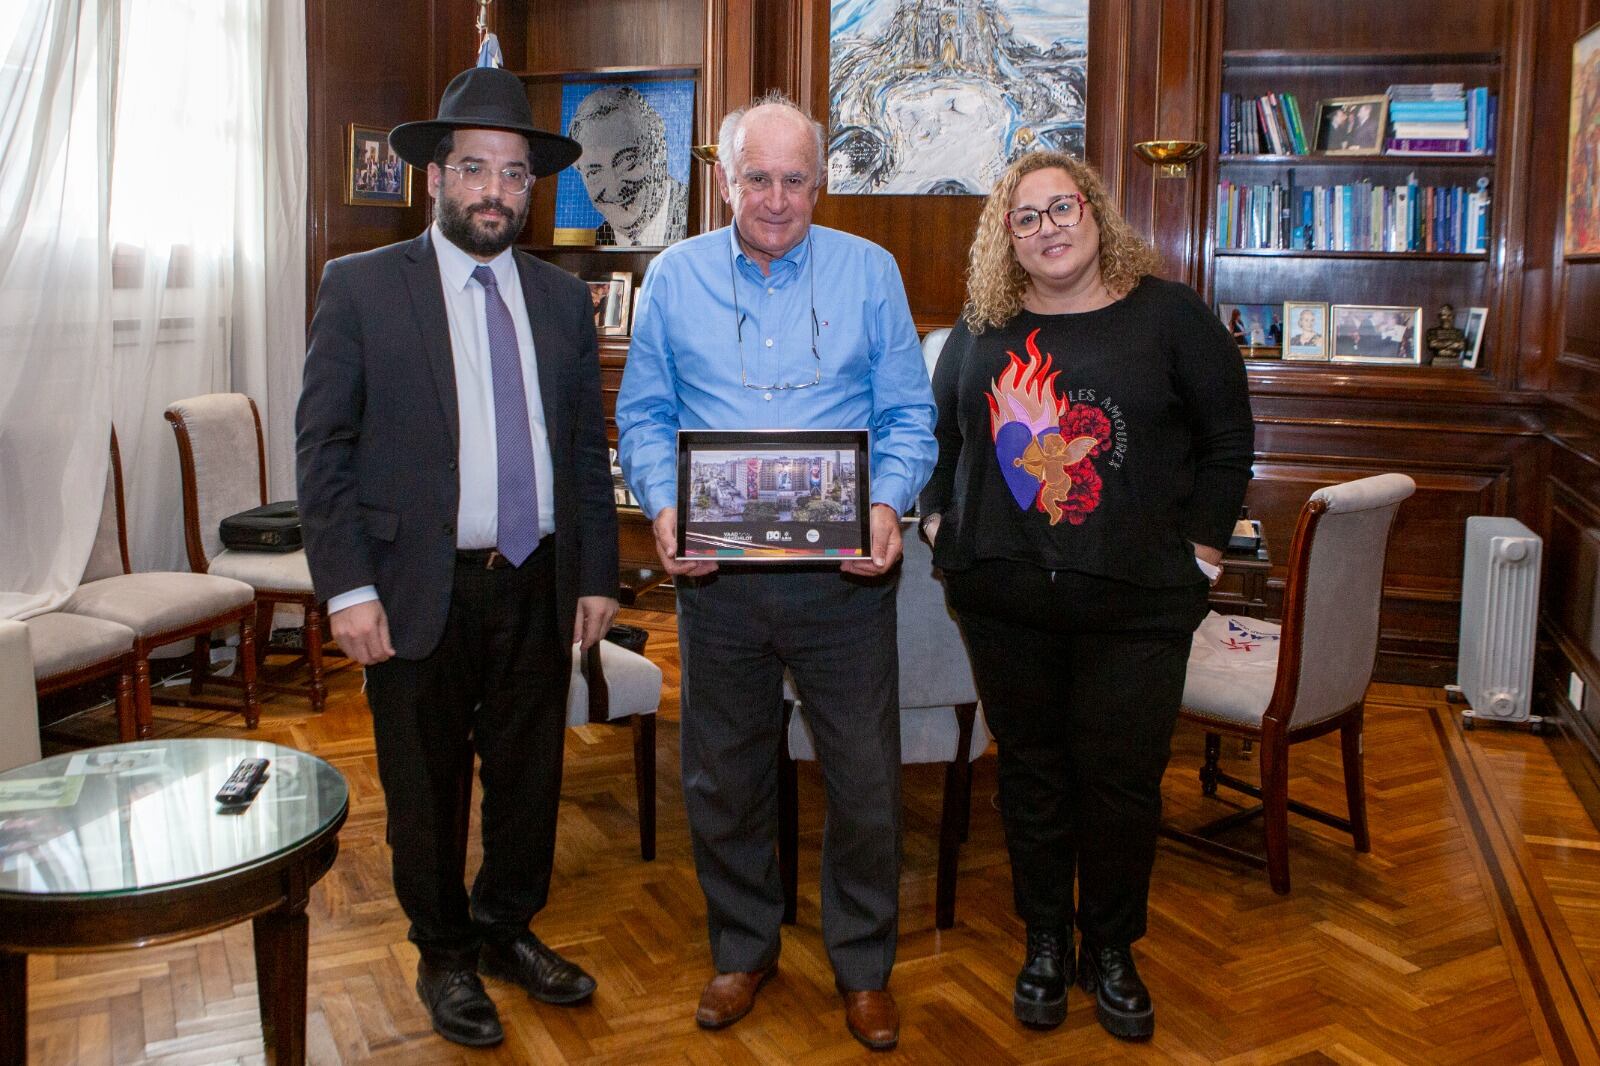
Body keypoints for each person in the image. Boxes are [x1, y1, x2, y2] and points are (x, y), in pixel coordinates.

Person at [296, 66, 619, 1049]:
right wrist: (347, 586)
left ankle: (506, 925)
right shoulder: (359, 288)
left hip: (535, 581)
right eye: (474, 168)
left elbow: (579, 452)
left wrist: (597, 574)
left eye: (514, 174)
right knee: (426, 787)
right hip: (410, 589)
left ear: (532, 187)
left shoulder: (563, 303)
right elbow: (324, 449)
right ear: (435, 175)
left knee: (529, 776)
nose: (494, 190)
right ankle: (442, 950)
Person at [614, 90, 935, 1052]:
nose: (778, 197)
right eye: (759, 176)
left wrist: (887, 504)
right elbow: (644, 416)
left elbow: (908, 418)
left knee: (867, 779)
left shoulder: (871, 273)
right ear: (725, 179)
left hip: (844, 580)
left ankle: (864, 966)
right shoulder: (672, 279)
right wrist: (666, 507)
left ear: (822, 183)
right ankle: (744, 948)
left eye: (797, 178)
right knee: (722, 777)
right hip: (718, 580)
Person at [918, 149, 1254, 1041]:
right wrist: (934, 521)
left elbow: (1229, 442)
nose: (1048, 228)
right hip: (1005, 599)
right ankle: (1042, 941)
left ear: (1095, 214)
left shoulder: (1170, 317)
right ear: (1008, 239)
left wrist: (1205, 555)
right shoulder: (981, 331)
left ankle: (1111, 947)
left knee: (1120, 783)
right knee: (1030, 777)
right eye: (1025, 218)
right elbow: (940, 440)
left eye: (1061, 208)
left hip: (1139, 604)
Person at [568, 85, 689, 247]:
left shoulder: (699, 219)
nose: (614, 190)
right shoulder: (591, 246)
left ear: (657, 151)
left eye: (626, 161)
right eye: (594, 172)